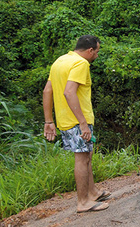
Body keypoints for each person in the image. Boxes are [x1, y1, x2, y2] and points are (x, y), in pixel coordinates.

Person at [42, 35, 111, 213]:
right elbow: (69, 92)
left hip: (65, 119)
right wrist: (82, 123)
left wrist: (49, 120)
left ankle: (92, 192)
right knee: (81, 158)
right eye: (96, 51)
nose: (96, 55)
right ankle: (83, 202)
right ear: (90, 51)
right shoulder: (81, 64)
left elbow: (47, 90)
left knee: (87, 154)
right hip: (77, 120)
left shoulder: (61, 61)